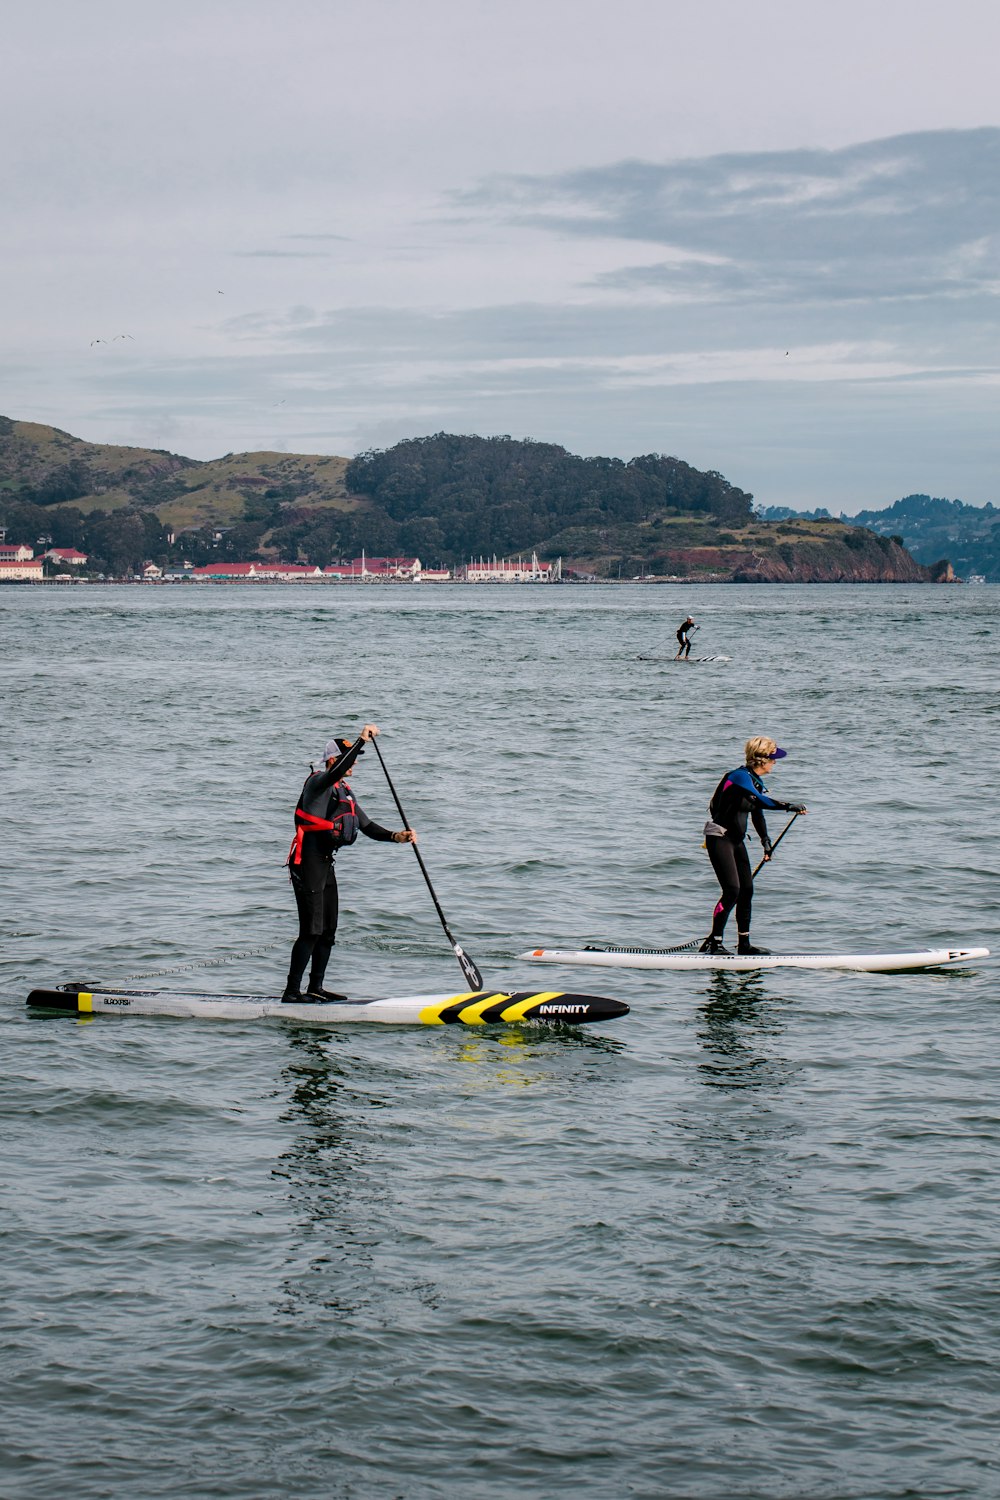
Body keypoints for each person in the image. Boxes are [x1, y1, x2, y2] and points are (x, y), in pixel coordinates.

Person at [282, 724, 416, 1002]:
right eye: (350, 758)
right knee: (311, 930)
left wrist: (396, 837)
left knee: (328, 930)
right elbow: (336, 769)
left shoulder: (345, 791)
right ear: (334, 759)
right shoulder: (319, 782)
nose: (355, 763)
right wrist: (360, 739)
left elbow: (366, 825)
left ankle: (315, 988)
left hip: (325, 862)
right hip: (307, 862)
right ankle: (291, 992)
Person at [699, 736, 807, 956]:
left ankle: (744, 945)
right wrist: (789, 806)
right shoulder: (738, 776)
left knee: (747, 891)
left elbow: (756, 813)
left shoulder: (755, 782)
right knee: (732, 891)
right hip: (719, 838)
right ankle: (715, 943)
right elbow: (759, 802)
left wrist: (766, 844)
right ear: (762, 759)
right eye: (773, 759)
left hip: (737, 841)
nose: (775, 763)